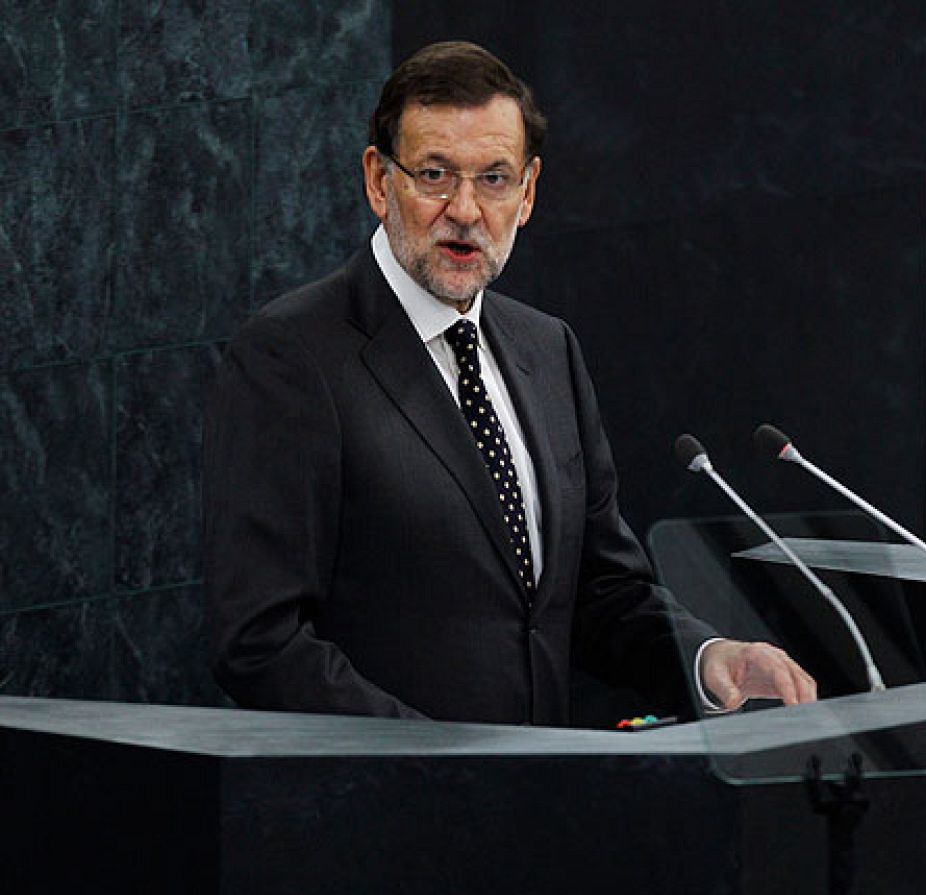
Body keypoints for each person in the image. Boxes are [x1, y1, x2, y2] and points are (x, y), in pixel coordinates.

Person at [204, 40, 816, 725]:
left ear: (527, 193)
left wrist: (708, 658)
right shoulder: (292, 357)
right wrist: (437, 767)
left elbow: (599, 592)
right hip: (381, 808)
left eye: (494, 179)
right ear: (380, 181)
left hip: (536, 804)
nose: (465, 209)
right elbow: (260, 640)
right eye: (435, 174)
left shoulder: (547, 349)